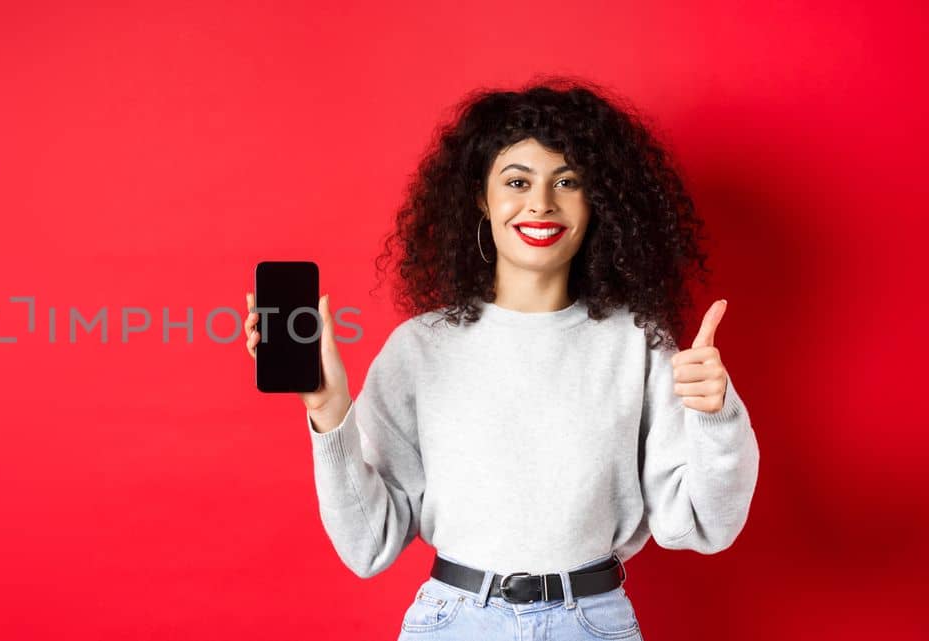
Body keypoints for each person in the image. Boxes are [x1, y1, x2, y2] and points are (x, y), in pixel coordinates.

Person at [242, 79, 759, 640]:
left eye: (567, 182)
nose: (541, 203)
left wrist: (716, 418)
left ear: (596, 205)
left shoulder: (637, 344)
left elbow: (705, 525)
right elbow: (369, 545)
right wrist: (328, 409)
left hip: (592, 623)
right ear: (481, 200)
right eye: (518, 181)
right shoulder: (420, 348)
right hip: (454, 622)